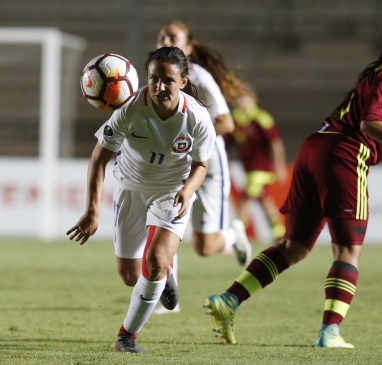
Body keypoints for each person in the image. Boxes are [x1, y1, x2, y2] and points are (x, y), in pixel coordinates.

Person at [205, 18, 382, 348]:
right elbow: (370, 123)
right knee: (348, 250)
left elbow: (375, 120)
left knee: (294, 247)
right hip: (343, 157)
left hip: (315, 149)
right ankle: (329, 332)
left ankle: (228, 300)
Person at [66, 47, 216, 353]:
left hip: (171, 192)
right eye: (153, 78)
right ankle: (166, 275)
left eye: (168, 80)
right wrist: (92, 211)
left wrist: (187, 191)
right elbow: (99, 159)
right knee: (130, 276)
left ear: (183, 81)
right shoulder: (130, 109)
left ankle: (126, 337)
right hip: (130, 189)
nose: (159, 86)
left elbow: (202, 165)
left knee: (155, 263)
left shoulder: (198, 118)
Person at [153, 20, 253, 313]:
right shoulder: (155, 77)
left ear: (188, 47)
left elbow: (226, 122)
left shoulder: (199, 77)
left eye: (172, 37)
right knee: (167, 221)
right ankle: (165, 295)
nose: (165, 41)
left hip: (208, 165)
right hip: (174, 165)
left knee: (204, 247)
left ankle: (233, 234)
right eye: (161, 37)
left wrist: (186, 136)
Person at [229, 93, 288, 240]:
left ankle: (237, 235)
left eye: (244, 98)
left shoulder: (261, 118)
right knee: (264, 199)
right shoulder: (235, 119)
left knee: (245, 198)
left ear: (254, 100)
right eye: (238, 98)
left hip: (261, 168)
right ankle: (280, 234)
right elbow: (226, 141)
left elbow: (275, 142)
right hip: (248, 168)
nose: (241, 101)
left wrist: (279, 166)